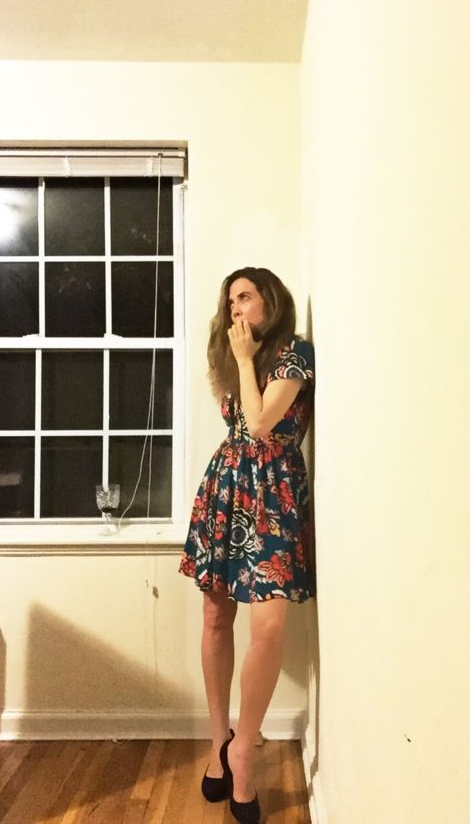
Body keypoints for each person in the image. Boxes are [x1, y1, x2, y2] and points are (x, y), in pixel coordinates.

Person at [178, 266, 315, 823]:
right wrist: (236, 359)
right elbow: (237, 430)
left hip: (274, 492)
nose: (235, 309)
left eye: (245, 297)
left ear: (270, 301)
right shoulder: (235, 359)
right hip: (228, 485)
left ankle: (243, 747)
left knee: (270, 627)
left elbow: (259, 424)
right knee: (216, 618)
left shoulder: (293, 354)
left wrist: (242, 360)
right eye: (229, 301)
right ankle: (219, 739)